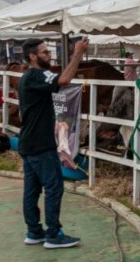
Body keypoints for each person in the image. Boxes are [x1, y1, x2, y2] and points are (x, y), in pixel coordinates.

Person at [18, 37, 88, 249]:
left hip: (28, 142)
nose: (49, 55)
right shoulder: (37, 74)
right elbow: (64, 80)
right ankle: (54, 234)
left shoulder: (28, 77)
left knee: (32, 190)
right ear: (33, 56)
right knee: (54, 186)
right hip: (41, 143)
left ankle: (34, 231)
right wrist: (77, 53)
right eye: (45, 52)